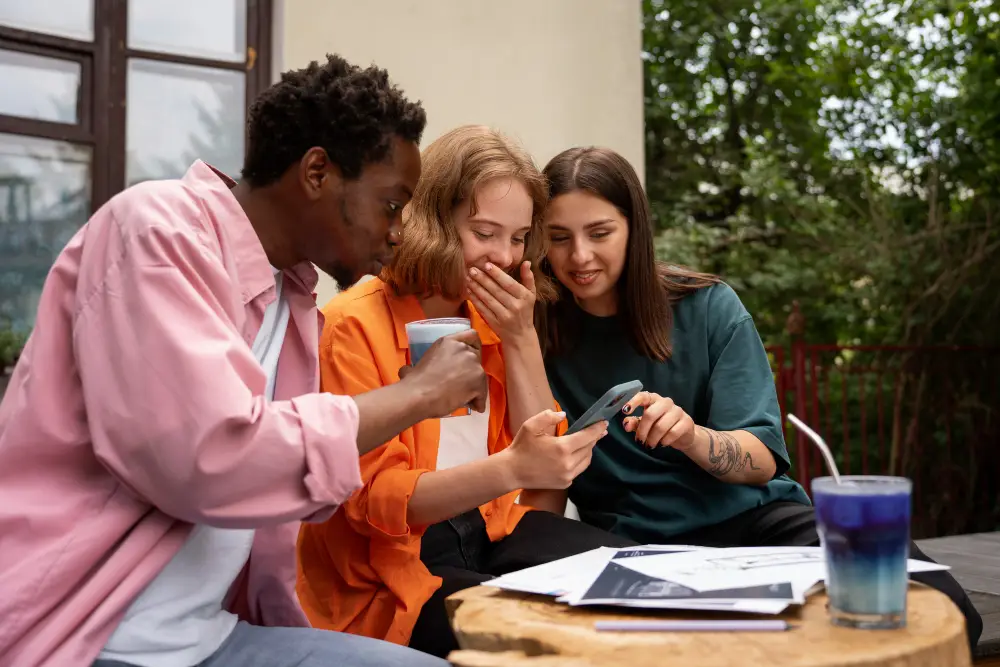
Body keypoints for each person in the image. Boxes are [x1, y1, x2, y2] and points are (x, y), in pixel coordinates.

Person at [0, 55, 486, 667]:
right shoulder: (156, 231)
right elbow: (209, 458)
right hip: (86, 632)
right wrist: (415, 397)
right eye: (391, 204)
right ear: (317, 172)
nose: (398, 232)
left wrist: (409, 398)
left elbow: (297, 484)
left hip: (211, 634)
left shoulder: (292, 296)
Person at [535, 146, 983, 648]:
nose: (579, 256)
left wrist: (690, 436)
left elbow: (761, 462)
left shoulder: (708, 306)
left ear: (634, 227)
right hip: (632, 546)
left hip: (755, 522)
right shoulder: (532, 331)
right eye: (558, 238)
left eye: (599, 233)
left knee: (939, 599)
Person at [296, 126, 636, 659]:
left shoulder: (492, 316)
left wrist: (522, 338)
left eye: (520, 237)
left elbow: (544, 469)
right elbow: (374, 503)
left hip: (490, 535)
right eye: (484, 232)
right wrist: (512, 469)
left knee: (640, 579)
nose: (503, 256)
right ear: (433, 221)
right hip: (393, 571)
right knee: (553, 644)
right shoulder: (352, 324)